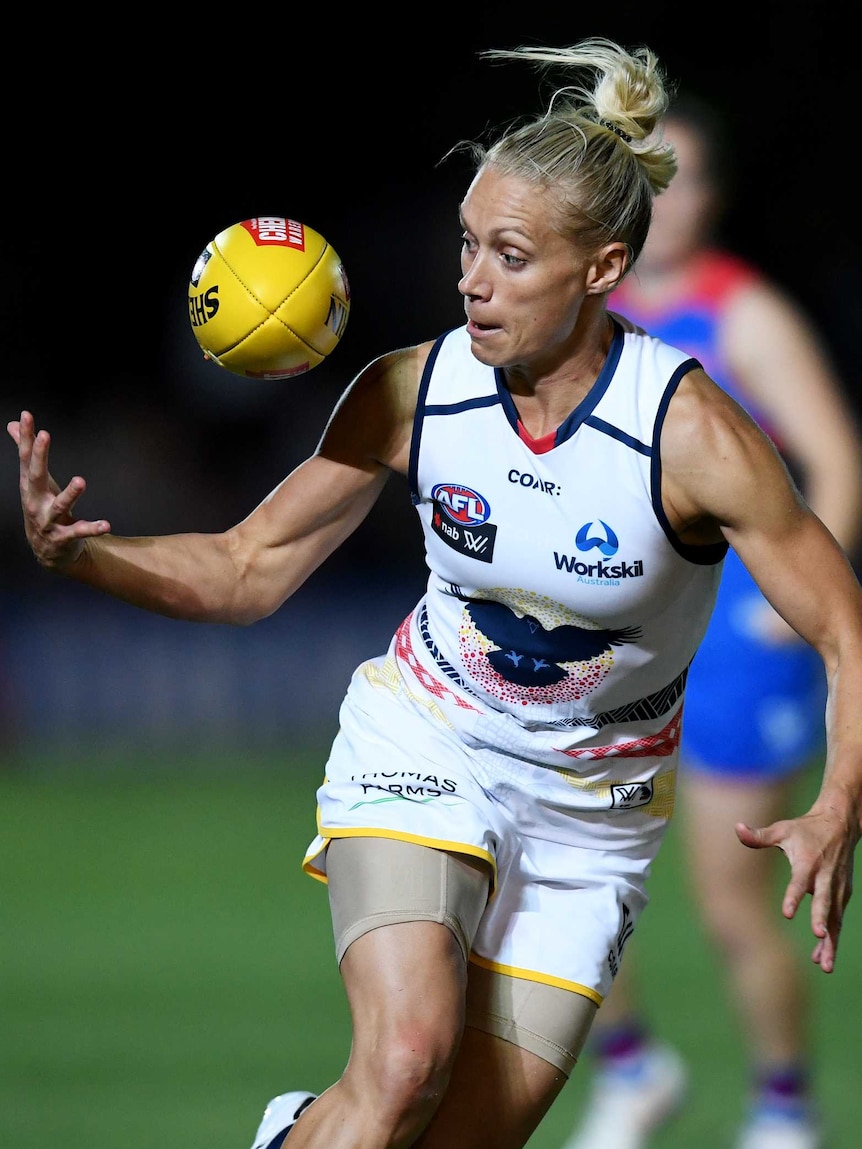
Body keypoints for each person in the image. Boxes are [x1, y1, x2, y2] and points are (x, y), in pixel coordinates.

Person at [8, 38, 862, 1149]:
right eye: (466, 244)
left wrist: (839, 800)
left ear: (602, 269)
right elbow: (248, 568)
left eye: (509, 255)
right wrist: (82, 556)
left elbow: (843, 624)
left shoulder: (687, 434)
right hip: (429, 740)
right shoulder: (415, 391)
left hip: (590, 822)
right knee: (404, 1059)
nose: (470, 279)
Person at [560, 93, 862, 1149]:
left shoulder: (745, 317)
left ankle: (783, 1108)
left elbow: (836, 461)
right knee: (565, 875)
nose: (664, 202)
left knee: (734, 903)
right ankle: (633, 1069)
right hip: (625, 639)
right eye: (646, 179)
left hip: (737, 647)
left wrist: (795, 610)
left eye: (681, 181)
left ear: (712, 199)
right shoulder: (583, 320)